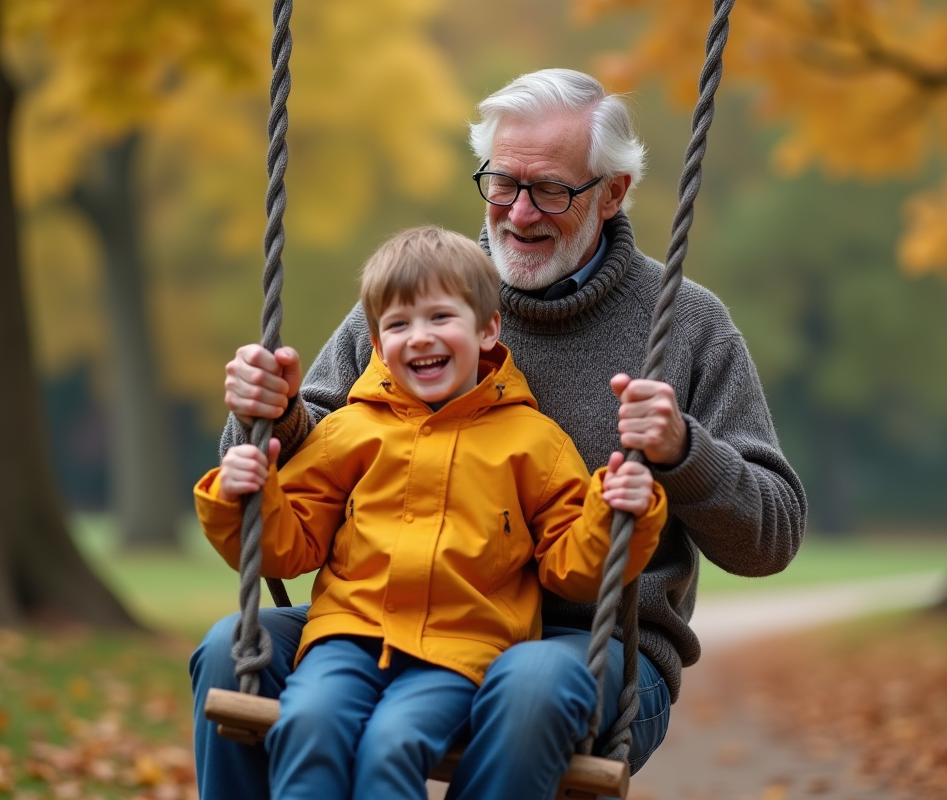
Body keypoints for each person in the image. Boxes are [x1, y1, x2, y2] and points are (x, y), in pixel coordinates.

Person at [192, 68, 807, 799]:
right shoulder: (423, 299)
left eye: (550, 189)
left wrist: (683, 451)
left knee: (529, 680)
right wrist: (272, 411)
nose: (518, 213)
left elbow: (771, 538)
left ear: (612, 193)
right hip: (393, 613)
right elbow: (326, 445)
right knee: (231, 652)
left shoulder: (687, 327)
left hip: (584, 642)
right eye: (502, 183)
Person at [194, 226, 667, 799]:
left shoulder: (534, 444)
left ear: (488, 328)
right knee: (309, 725)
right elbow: (290, 545)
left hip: (460, 652)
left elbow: (572, 569)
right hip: (345, 636)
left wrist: (616, 515)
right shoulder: (348, 431)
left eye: (440, 318)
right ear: (374, 341)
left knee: (391, 744)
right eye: (397, 324)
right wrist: (244, 496)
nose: (418, 338)